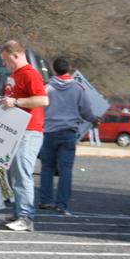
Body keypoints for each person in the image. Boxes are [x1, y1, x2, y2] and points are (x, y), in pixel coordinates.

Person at [0, 40, 49, 232]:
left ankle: (26, 217)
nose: (4, 63)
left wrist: (15, 101)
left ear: (16, 55)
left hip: (29, 131)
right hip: (16, 130)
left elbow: (43, 99)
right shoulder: (16, 74)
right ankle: (19, 213)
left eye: (5, 59)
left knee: (22, 174)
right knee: (13, 174)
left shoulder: (30, 74)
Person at [38, 57, 100, 216]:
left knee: (47, 167)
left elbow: (39, 107)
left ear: (54, 70)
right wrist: (94, 119)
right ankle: (62, 204)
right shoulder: (78, 88)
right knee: (66, 170)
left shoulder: (47, 87)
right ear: (69, 70)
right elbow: (85, 111)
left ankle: (45, 200)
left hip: (49, 131)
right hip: (68, 132)